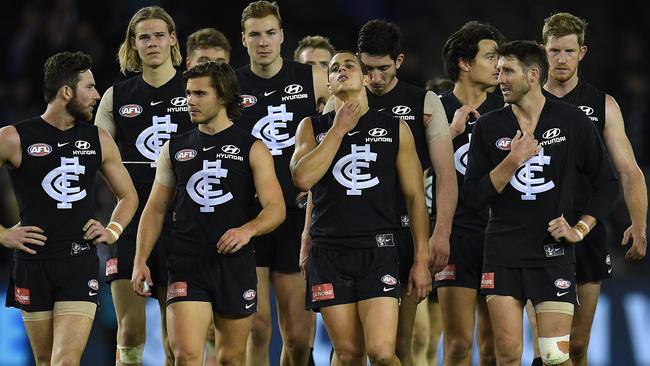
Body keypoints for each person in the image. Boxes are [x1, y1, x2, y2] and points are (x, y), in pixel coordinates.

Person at [464, 40, 619, 366]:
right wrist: (511, 162)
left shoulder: (572, 121)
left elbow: (607, 184)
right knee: (506, 354)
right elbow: (473, 197)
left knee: (553, 356)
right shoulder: (488, 127)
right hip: (502, 253)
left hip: (552, 255)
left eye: (507, 70)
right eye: (499, 69)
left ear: (533, 75)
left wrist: (579, 228)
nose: (499, 77)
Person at [130, 61, 285, 366]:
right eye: (188, 93)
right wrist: (140, 259)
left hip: (234, 263)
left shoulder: (252, 147)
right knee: (186, 355)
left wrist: (247, 230)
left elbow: (276, 208)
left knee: (230, 358)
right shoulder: (174, 148)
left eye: (200, 94)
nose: (190, 101)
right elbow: (155, 208)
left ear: (224, 97)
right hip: (187, 261)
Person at [291, 50, 431, 366]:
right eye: (334, 68)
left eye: (349, 66)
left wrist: (421, 258)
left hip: (379, 249)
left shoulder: (395, 128)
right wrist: (339, 129)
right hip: (329, 253)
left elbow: (415, 198)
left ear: (366, 78)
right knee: (349, 355)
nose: (341, 70)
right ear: (327, 82)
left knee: (382, 353)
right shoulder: (311, 127)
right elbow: (302, 179)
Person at [524, 13, 647, 366]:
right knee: (548, 349)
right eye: (553, 51)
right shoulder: (523, 104)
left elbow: (629, 171)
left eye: (568, 50)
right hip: (535, 232)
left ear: (582, 52)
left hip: (587, 230)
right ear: (542, 52)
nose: (560, 59)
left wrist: (639, 225)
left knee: (577, 346)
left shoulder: (602, 105)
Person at [0, 51, 138, 366]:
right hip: (32, 265)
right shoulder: (13, 138)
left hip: (79, 263)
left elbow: (128, 195)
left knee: (65, 360)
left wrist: (112, 230)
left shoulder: (99, 138)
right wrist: (4, 234)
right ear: (66, 92)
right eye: (89, 87)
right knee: (46, 360)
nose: (96, 95)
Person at [95, 6, 193, 365]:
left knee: (177, 340)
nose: (152, 43)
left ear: (172, 40)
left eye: (158, 35)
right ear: (133, 44)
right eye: (144, 37)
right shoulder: (115, 97)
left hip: (184, 222)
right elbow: (97, 155)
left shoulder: (195, 89)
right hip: (131, 223)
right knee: (131, 331)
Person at [236, 2, 329, 365]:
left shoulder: (310, 78)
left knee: (298, 337)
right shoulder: (230, 85)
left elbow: (344, 126)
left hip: (297, 217)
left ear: (282, 36)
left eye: (270, 33)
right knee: (256, 327)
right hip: (250, 217)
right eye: (255, 34)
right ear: (243, 39)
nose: (263, 42)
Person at [434, 21, 505, 366]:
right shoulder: (434, 110)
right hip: (456, 235)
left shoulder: (508, 111)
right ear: (464, 63)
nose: (498, 65)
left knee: (493, 349)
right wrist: (451, 132)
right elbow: (411, 171)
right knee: (459, 345)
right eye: (490, 57)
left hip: (500, 236)